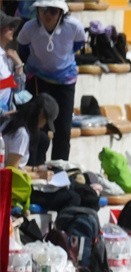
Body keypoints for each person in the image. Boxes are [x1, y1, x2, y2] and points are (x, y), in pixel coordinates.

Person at [16, 0, 84, 162]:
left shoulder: (74, 26)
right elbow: (23, 49)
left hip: (65, 82)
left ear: (61, 13)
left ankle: (59, 168)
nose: (47, 15)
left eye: (53, 11)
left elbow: (78, 44)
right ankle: (35, 166)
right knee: (38, 129)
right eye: (43, 10)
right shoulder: (29, 28)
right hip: (38, 80)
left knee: (63, 130)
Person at [1, 91, 55, 167]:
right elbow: (11, 169)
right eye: (45, 122)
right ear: (41, 116)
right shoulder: (22, 134)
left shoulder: (12, 119)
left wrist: (35, 170)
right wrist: (36, 173)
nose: (43, 126)